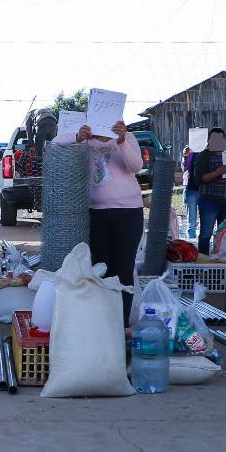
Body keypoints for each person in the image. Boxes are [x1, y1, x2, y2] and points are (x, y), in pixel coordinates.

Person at [76, 118, 144, 310]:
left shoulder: (127, 138)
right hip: (97, 213)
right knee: (100, 267)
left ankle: (122, 323)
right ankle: (104, 318)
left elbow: (135, 166)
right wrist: (78, 137)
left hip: (129, 212)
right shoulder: (86, 141)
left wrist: (121, 140)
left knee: (124, 267)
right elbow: (57, 142)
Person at [191, 127, 226, 253]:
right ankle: (203, 262)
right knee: (205, 235)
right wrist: (217, 172)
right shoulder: (203, 156)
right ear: (208, 141)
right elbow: (199, 179)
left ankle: (221, 262)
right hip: (209, 201)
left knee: (224, 236)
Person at [181, 144, 200, 238]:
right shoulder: (189, 150)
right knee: (191, 219)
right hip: (190, 187)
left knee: (205, 218)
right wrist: (185, 156)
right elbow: (185, 168)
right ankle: (192, 238)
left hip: (204, 188)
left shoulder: (208, 150)